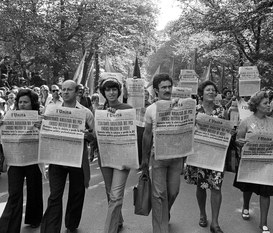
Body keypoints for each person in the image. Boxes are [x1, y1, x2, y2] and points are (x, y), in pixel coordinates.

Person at [40, 80, 95, 233]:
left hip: (77, 159)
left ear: (77, 92)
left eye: (69, 90)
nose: (65, 92)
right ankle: (50, 229)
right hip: (57, 159)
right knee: (55, 196)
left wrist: (87, 135)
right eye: (63, 89)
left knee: (77, 194)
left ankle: (71, 224)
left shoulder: (86, 112)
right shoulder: (52, 110)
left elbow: (94, 136)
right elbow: (46, 130)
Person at [141, 73, 183, 233]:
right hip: (157, 157)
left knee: (173, 192)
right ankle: (160, 228)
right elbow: (146, 135)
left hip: (176, 158)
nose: (167, 90)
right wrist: (144, 159)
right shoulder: (151, 109)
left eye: (169, 86)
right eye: (163, 87)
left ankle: (165, 213)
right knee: (158, 195)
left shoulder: (180, 105)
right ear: (156, 91)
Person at [184, 80, 228, 233]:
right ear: (201, 93)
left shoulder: (222, 110)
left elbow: (227, 129)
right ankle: (202, 213)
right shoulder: (194, 110)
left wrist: (230, 132)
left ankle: (215, 223)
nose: (211, 92)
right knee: (200, 185)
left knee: (216, 187)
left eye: (213, 90)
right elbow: (187, 130)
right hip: (198, 154)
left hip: (217, 155)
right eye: (208, 90)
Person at [233, 91, 273, 233]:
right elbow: (237, 140)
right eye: (265, 103)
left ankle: (263, 223)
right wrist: (240, 142)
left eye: (269, 102)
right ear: (257, 105)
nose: (269, 105)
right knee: (248, 188)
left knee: (266, 192)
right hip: (250, 163)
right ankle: (246, 206)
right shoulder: (246, 121)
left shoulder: (272, 122)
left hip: (267, 164)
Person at [0, 89, 43, 233]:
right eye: (20, 102)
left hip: (34, 160)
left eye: (26, 102)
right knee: (14, 194)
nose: (22, 104)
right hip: (15, 160)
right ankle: (7, 228)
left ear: (33, 103)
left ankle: (34, 219)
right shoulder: (8, 116)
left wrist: (41, 128)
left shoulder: (40, 118)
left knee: (34, 190)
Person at [97, 78, 133, 233]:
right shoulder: (100, 110)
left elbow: (134, 134)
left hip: (123, 157)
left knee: (116, 195)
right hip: (105, 157)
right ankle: (118, 220)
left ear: (119, 91)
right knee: (109, 191)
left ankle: (109, 230)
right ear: (103, 93)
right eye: (107, 90)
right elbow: (95, 135)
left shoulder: (127, 108)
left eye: (114, 89)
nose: (111, 92)